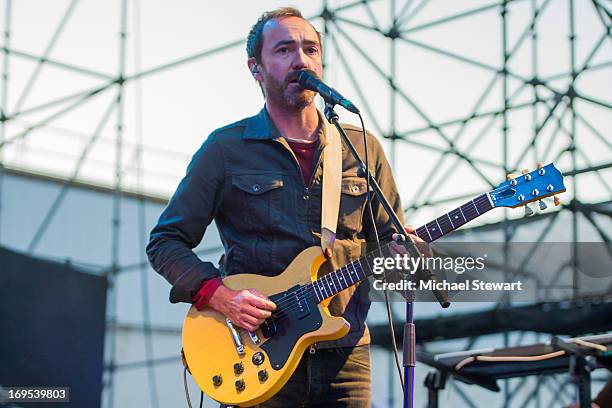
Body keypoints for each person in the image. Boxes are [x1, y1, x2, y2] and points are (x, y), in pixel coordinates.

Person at [147, 7, 426, 407]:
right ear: (255, 68)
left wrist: (411, 254)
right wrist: (218, 294)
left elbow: (393, 249)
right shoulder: (226, 149)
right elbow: (166, 242)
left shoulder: (360, 149)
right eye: (284, 49)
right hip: (256, 350)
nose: (301, 59)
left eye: (311, 49)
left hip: (345, 356)